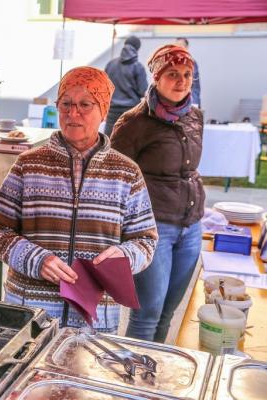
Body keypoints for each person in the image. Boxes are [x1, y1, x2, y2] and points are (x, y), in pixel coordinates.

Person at [0, 66, 157, 333]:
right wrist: (36, 259)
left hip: (95, 317)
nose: (73, 113)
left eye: (85, 104)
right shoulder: (28, 165)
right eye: (66, 104)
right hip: (31, 312)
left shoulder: (126, 173)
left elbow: (145, 241)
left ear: (103, 110)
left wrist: (124, 255)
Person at [112, 44, 205, 343]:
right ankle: (131, 384)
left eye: (187, 74)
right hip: (153, 230)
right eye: (173, 74)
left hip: (191, 227)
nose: (181, 81)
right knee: (147, 312)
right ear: (155, 77)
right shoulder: (133, 123)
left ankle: (154, 374)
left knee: (168, 312)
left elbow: (188, 169)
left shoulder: (195, 116)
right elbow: (114, 181)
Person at [104, 35, 148, 136]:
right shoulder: (138, 67)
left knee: (109, 143)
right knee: (128, 144)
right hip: (131, 111)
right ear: (137, 49)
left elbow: (104, 87)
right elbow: (143, 91)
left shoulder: (111, 64)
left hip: (112, 111)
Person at [175, 38, 200, 108]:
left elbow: (192, 83)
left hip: (190, 101)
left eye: (180, 45)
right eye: (176, 46)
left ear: (186, 48)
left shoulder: (192, 63)